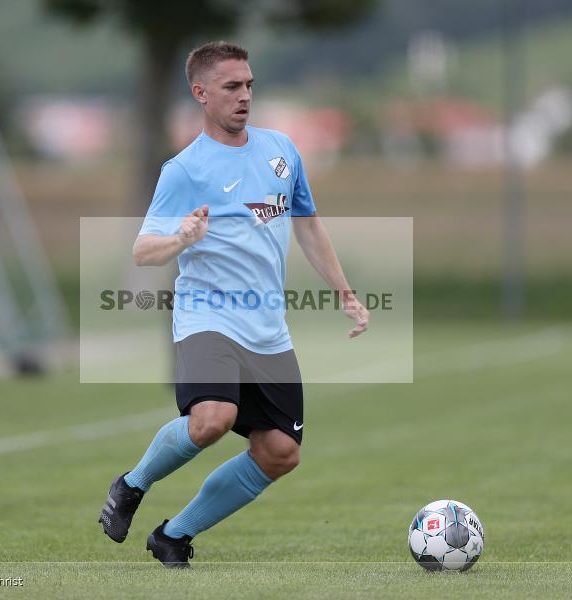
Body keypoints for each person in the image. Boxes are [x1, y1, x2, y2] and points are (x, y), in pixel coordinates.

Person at [99, 41, 369, 568]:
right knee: (212, 419)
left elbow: (308, 225)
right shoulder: (184, 170)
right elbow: (142, 250)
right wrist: (181, 238)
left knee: (280, 453)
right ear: (201, 93)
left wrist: (345, 291)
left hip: (267, 327)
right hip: (207, 315)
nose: (244, 95)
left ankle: (173, 536)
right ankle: (131, 485)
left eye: (248, 85)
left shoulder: (281, 151)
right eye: (231, 87)